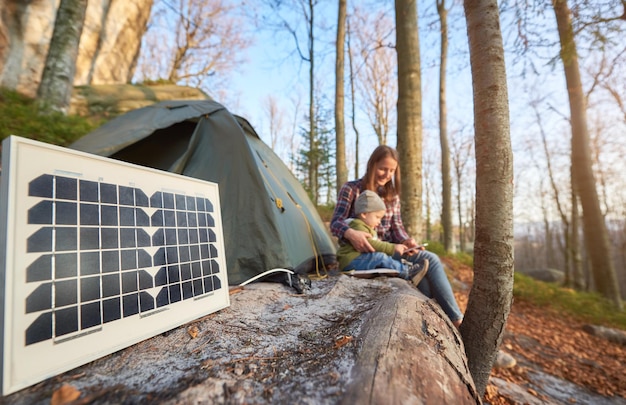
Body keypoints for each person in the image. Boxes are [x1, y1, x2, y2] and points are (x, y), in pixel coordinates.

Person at [330, 145, 463, 327]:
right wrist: (351, 233)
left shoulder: (392, 196)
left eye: (391, 170)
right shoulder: (351, 189)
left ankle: (441, 320)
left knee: (426, 264)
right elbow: (336, 222)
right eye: (383, 169)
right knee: (429, 262)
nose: (387, 174)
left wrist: (407, 241)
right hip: (366, 253)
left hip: (391, 249)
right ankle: (455, 320)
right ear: (372, 165)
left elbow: (397, 228)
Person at [336, 190, 429, 287]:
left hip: (359, 260)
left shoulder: (366, 227)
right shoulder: (357, 225)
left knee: (382, 257)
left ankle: (403, 268)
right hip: (351, 261)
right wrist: (393, 248)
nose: (379, 222)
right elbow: (371, 244)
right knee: (380, 257)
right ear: (364, 214)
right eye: (377, 217)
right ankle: (407, 273)